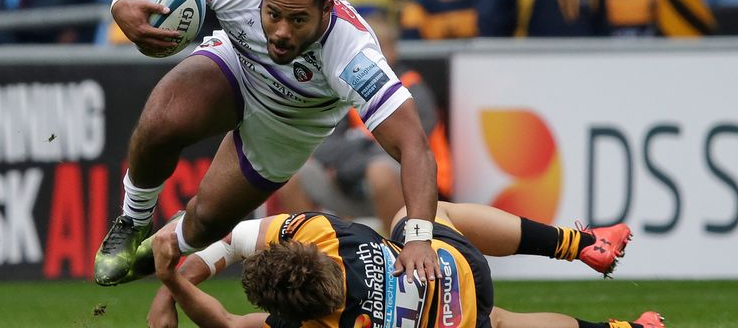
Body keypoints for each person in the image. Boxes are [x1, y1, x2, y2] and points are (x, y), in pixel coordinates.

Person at [94, 0, 440, 287]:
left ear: (326, 9)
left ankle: (165, 245)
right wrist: (123, 0)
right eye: (273, 14)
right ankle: (132, 220)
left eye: (298, 19)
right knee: (162, 120)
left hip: (290, 123)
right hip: (239, 67)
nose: (282, 32)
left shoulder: (353, 55)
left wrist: (419, 239)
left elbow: (414, 146)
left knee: (208, 221)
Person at [143, 202, 659, 328]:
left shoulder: (321, 322)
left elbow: (226, 323)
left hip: (452, 318)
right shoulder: (319, 232)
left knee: (498, 322)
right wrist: (169, 274)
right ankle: (578, 243)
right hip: (458, 269)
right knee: (415, 215)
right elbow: (232, 240)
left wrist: (171, 285)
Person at [275, 16, 453, 231]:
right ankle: (312, 255)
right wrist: (356, 157)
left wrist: (351, 161)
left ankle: (398, 249)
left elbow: (408, 147)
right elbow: (323, 145)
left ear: (394, 51)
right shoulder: (345, 85)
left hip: (413, 188)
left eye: (379, 47)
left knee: (379, 172)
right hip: (351, 182)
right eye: (367, 46)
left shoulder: (412, 86)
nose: (372, 54)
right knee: (294, 174)